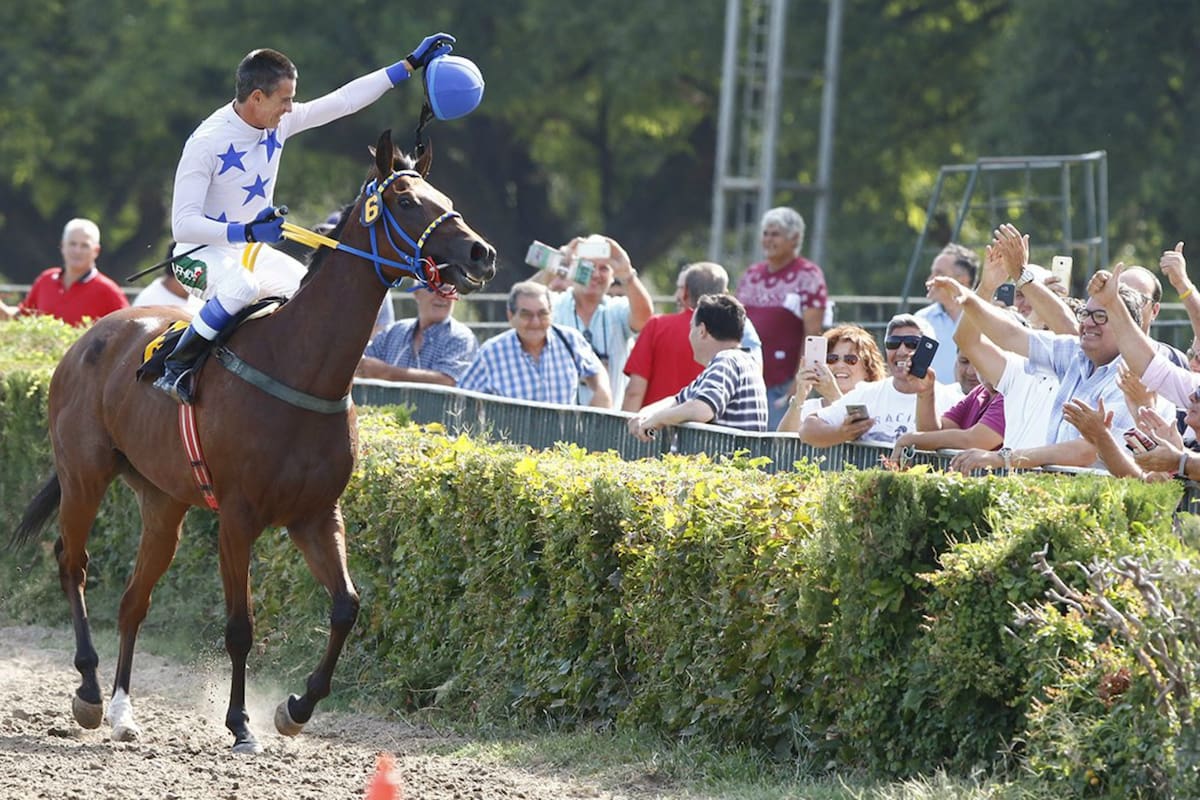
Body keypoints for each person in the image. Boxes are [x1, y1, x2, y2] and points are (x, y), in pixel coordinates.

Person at [154, 34, 469, 401]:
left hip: (249, 253)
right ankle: (176, 365)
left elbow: (344, 100)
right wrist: (248, 231)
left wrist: (408, 65)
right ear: (257, 98)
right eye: (285, 100)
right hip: (196, 256)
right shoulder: (206, 142)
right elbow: (183, 226)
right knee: (241, 288)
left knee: (314, 297)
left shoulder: (278, 122)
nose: (291, 108)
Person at [796, 314, 960, 447]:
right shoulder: (866, 393)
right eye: (893, 343)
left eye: (912, 343)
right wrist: (841, 433)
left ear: (929, 350)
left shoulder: (950, 398)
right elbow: (808, 429)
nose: (901, 351)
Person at [621, 261, 762, 412]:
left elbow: (635, 391)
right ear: (724, 294)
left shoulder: (656, 326)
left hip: (652, 422)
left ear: (685, 292)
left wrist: (626, 424)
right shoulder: (737, 331)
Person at [734, 206, 828, 429]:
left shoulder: (808, 276)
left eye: (775, 234)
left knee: (777, 444)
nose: (768, 239)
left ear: (794, 239)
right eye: (765, 233)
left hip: (782, 385)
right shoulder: (752, 274)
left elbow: (813, 333)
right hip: (746, 381)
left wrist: (799, 381)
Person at [627, 294, 767, 439]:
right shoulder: (745, 362)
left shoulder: (726, 361)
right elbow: (678, 400)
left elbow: (702, 409)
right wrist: (646, 414)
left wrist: (658, 419)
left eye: (691, 327)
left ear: (702, 331)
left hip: (725, 454)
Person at [540, 235, 653, 407]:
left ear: (612, 277)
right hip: (561, 417)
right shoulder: (554, 305)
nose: (595, 274)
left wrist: (628, 274)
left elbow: (644, 319)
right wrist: (555, 264)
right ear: (573, 270)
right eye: (588, 267)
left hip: (609, 416)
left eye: (603, 268)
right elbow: (522, 305)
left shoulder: (617, 309)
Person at [459, 281, 611, 407]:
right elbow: (460, 398)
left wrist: (602, 392)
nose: (535, 322)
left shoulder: (570, 340)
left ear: (551, 313)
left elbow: (596, 371)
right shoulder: (492, 353)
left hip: (563, 434)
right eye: (526, 315)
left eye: (542, 314)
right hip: (512, 435)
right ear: (511, 316)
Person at [0, 218, 129, 326]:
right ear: (62, 246)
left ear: (96, 251)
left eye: (84, 245)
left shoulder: (109, 291)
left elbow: (129, 331)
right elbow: (22, 317)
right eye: (72, 244)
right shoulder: (45, 280)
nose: (77, 251)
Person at [355, 287, 477, 385]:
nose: (441, 295)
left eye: (447, 290)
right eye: (433, 288)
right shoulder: (393, 331)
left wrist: (386, 373)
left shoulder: (462, 337)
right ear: (416, 293)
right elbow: (362, 365)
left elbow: (447, 381)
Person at [777, 324, 886, 431]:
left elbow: (859, 435)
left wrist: (833, 395)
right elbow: (782, 441)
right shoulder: (808, 407)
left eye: (850, 359)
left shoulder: (876, 407)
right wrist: (800, 396)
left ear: (868, 369)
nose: (840, 365)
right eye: (832, 358)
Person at [914, 243, 979, 386]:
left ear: (962, 280)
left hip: (979, 399)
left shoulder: (986, 317)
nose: (930, 280)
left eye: (939, 274)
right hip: (932, 398)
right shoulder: (921, 319)